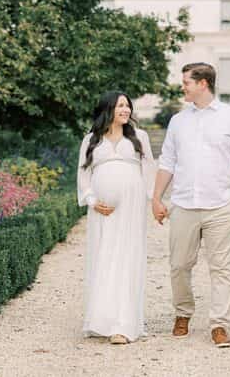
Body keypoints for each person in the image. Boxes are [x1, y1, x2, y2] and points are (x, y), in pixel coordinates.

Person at [152, 62, 230, 348]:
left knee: (223, 268)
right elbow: (167, 161)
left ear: (203, 84)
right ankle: (183, 314)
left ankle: (220, 324)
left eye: (186, 82)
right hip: (184, 204)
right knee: (179, 265)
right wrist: (156, 197)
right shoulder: (178, 121)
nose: (182, 86)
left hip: (222, 206)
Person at [77, 91, 157, 345]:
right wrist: (91, 200)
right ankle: (102, 319)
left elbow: (149, 171)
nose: (125, 110)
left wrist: (154, 200)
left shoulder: (139, 137)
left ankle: (124, 324)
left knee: (127, 259)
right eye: (120, 105)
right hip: (101, 210)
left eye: (127, 106)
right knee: (103, 259)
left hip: (131, 209)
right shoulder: (91, 139)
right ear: (108, 109)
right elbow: (83, 175)